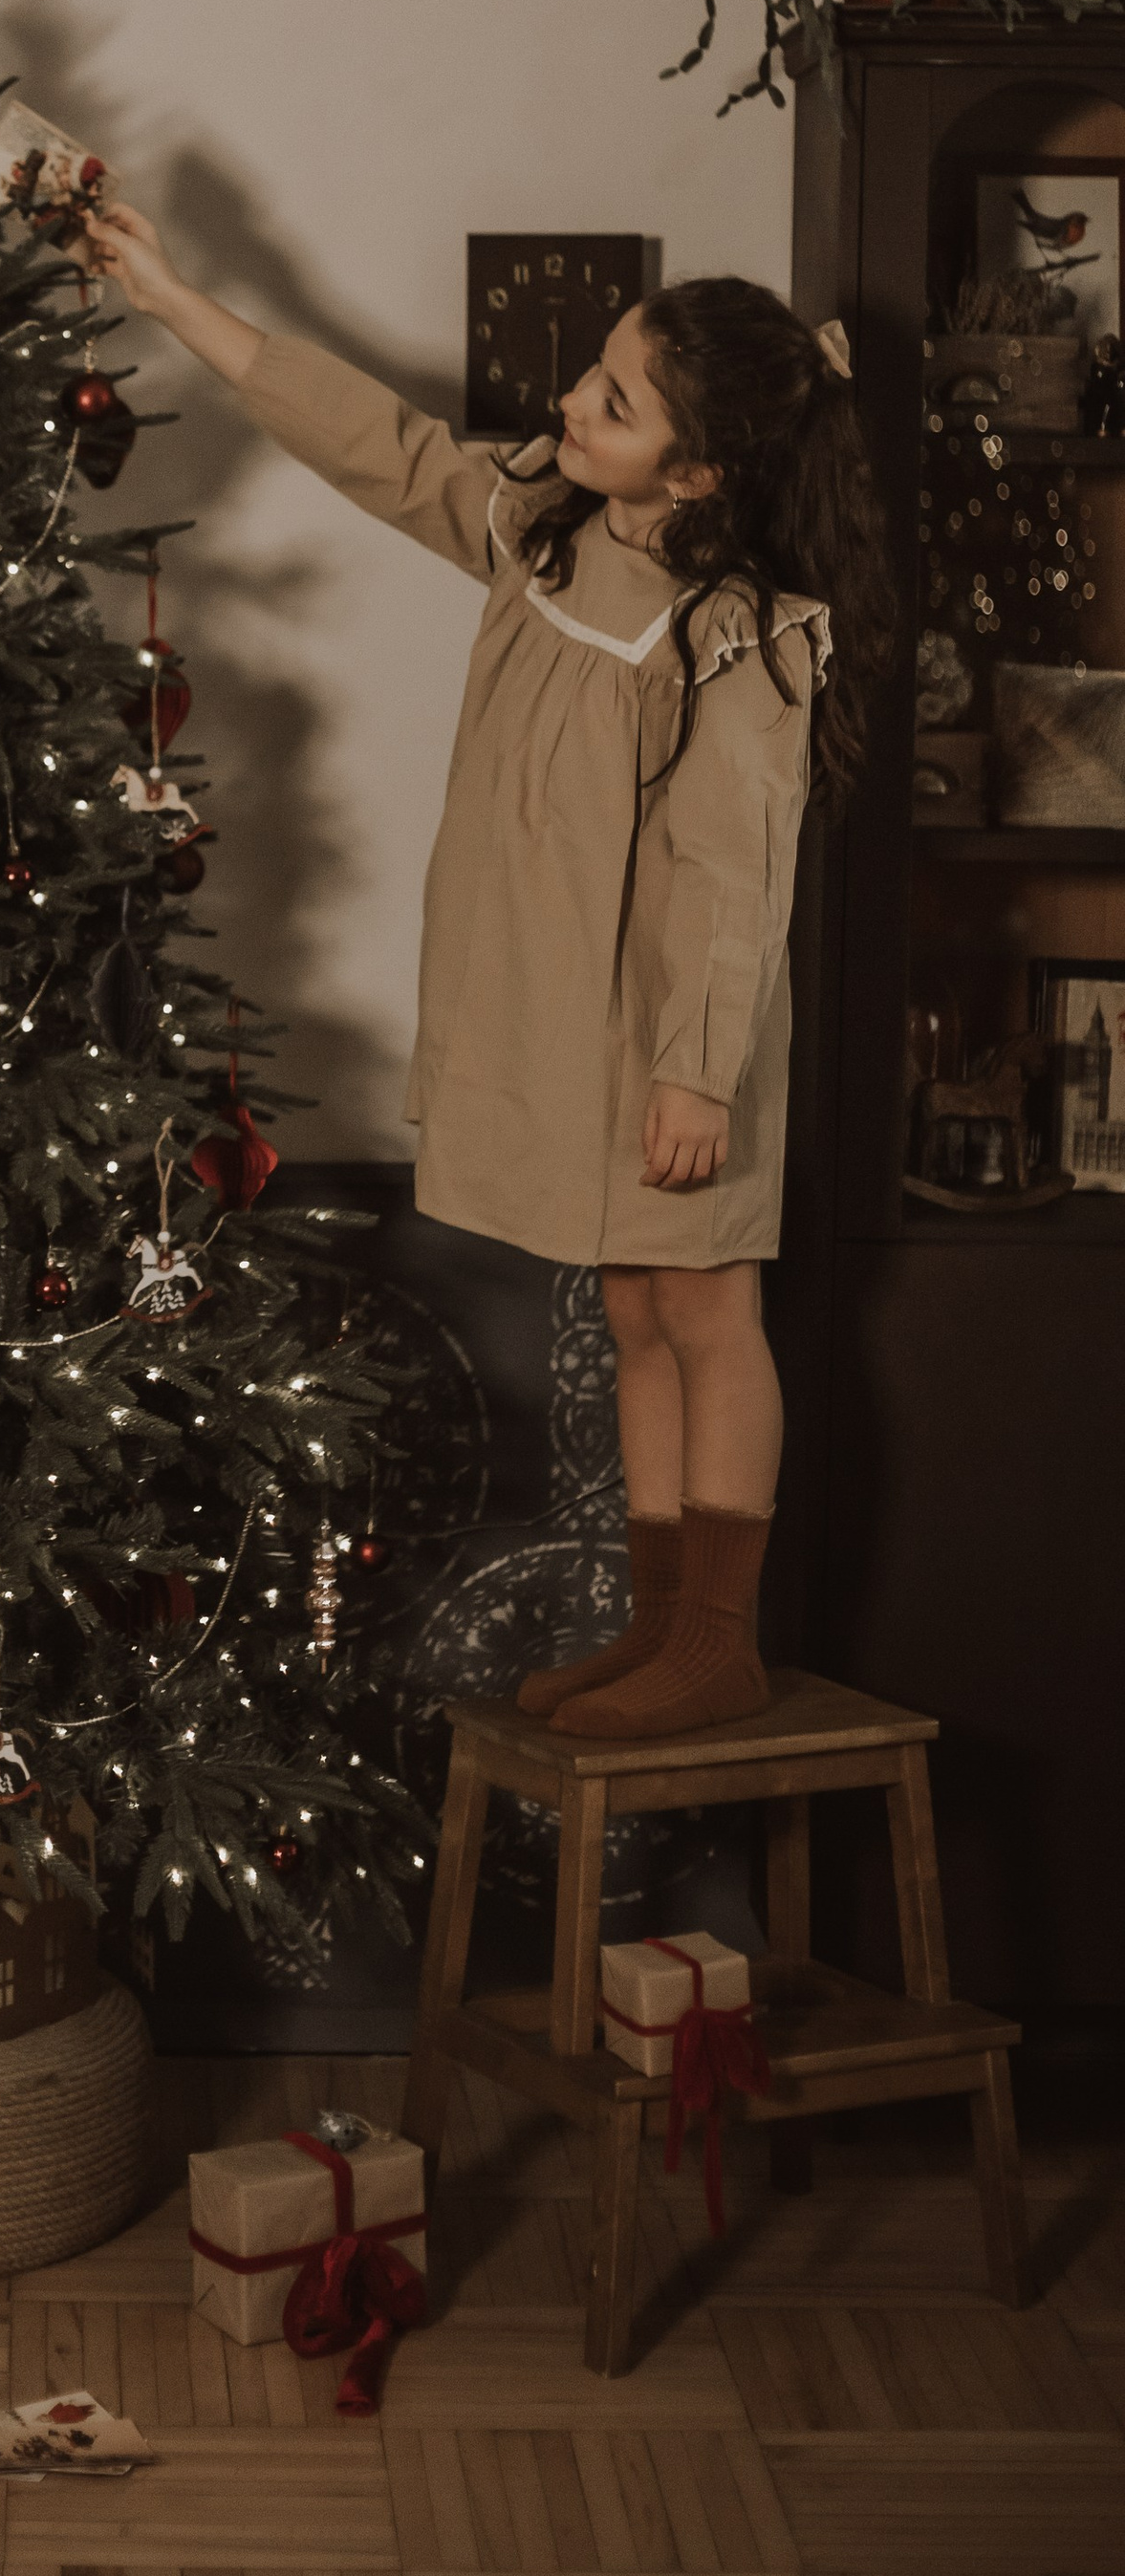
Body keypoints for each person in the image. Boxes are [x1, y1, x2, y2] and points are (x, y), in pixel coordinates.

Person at [77, 209, 894, 1746]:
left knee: (709, 1310)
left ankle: (717, 1634)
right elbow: (376, 443)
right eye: (596, 374)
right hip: (573, 1029)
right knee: (638, 1311)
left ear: (702, 473)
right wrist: (175, 294)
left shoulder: (738, 637)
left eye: (615, 400)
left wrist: (696, 1072)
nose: (572, 404)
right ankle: (662, 1626)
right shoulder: (545, 529)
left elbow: (733, 871)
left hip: (671, 1042)